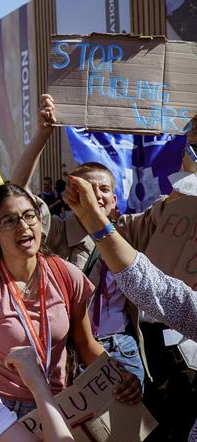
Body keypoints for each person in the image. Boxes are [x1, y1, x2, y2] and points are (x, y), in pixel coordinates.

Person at [0, 183, 142, 417]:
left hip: (63, 406)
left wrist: (120, 374)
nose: (23, 226)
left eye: (29, 216)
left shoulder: (67, 275)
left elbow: (85, 345)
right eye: (9, 221)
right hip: (4, 414)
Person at [13, 95, 147, 389]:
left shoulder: (131, 231)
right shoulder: (59, 232)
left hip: (124, 349)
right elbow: (15, 194)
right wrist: (43, 134)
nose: (96, 195)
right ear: (69, 196)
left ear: (115, 199)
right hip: (72, 351)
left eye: (104, 189)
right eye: (85, 189)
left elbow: (178, 208)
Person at [63, 174, 197, 441]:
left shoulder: (136, 228)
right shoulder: (65, 233)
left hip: (129, 353)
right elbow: (159, 291)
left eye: (104, 189)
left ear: (115, 199)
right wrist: (94, 222)